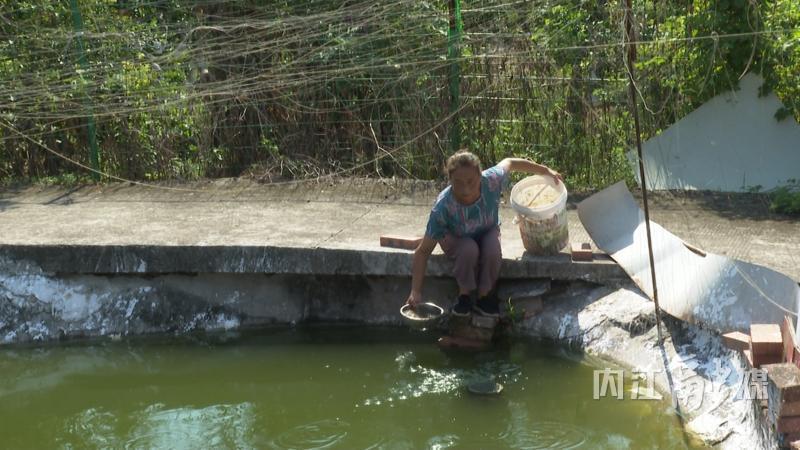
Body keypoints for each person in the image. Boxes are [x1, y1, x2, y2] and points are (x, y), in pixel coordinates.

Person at [405, 150, 563, 317]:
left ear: (480, 175)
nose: (466, 189)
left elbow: (510, 162)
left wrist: (546, 171)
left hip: (487, 230)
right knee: (468, 248)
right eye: (458, 182)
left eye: (471, 181)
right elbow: (423, 252)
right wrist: (415, 291)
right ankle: (464, 296)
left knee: (492, 249)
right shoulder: (443, 207)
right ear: (450, 179)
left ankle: (484, 296)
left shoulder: (492, 180)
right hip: (456, 239)